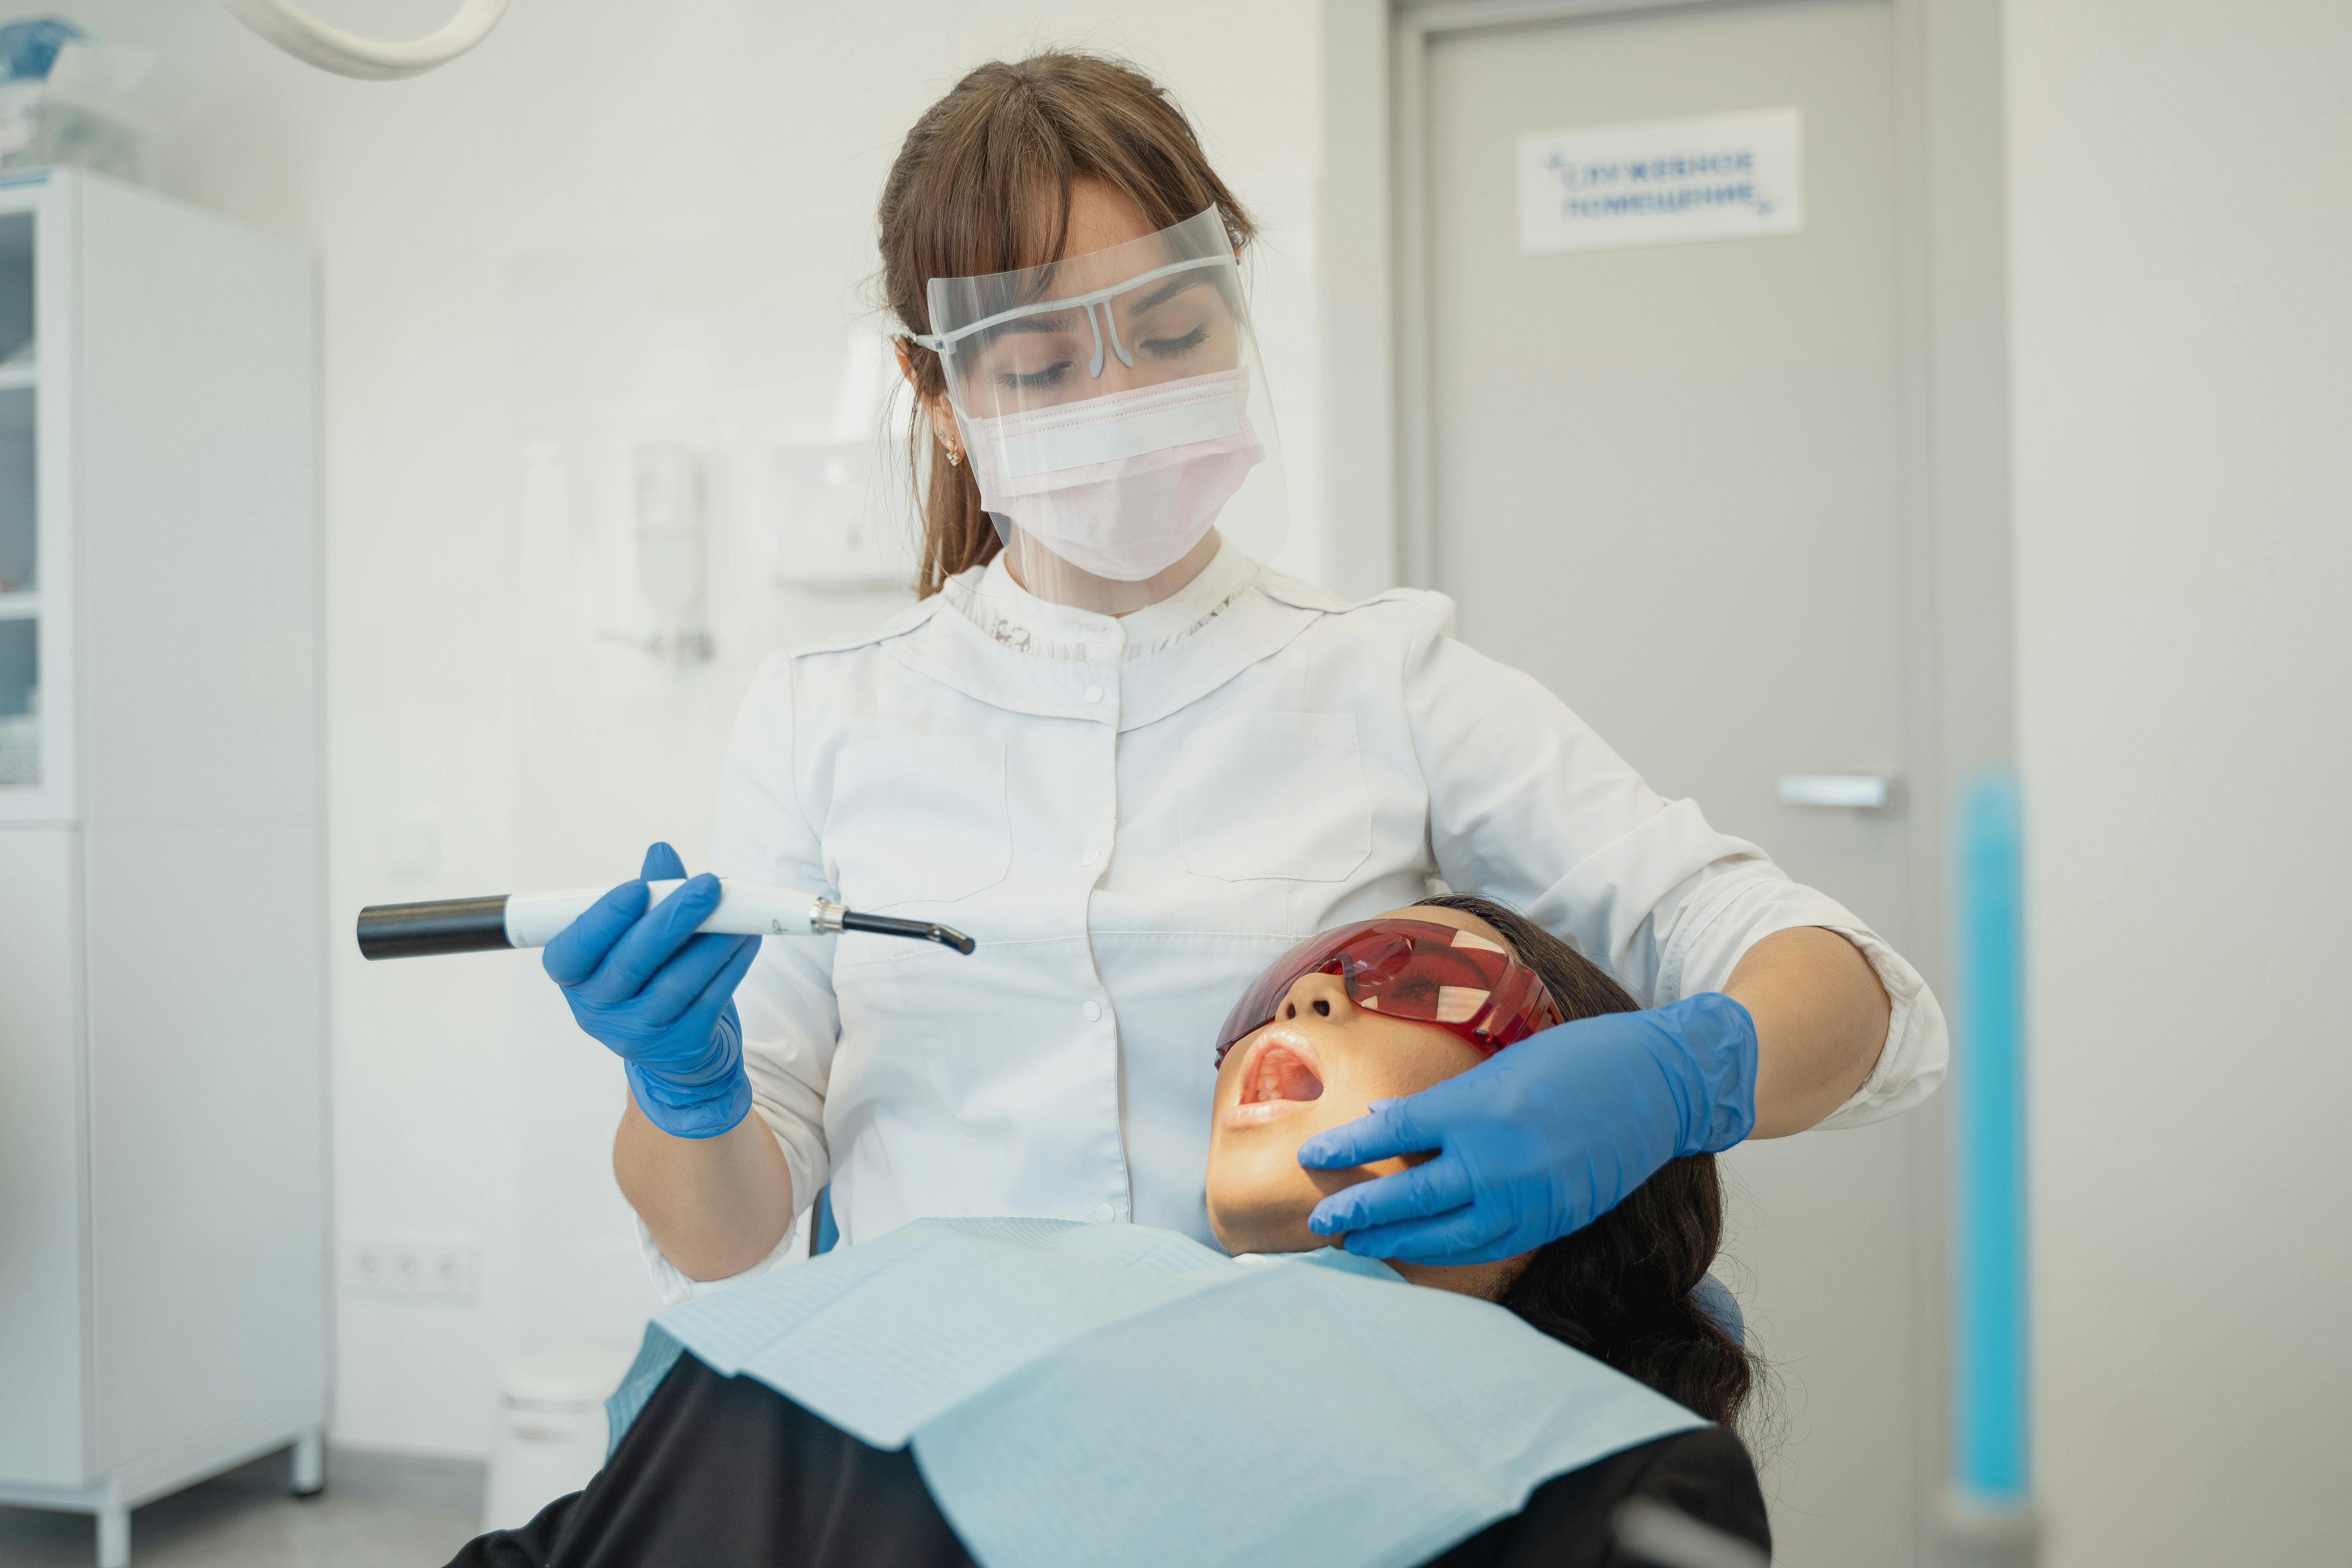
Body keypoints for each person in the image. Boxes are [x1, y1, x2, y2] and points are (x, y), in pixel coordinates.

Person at [544, 49, 1947, 1303]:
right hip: (944, 1459)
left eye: (1169, 339)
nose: (1120, 404)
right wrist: (686, 1089)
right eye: (1039, 366)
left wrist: (1676, 1078)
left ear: (1235, 315)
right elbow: (728, 1238)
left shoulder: (1388, 680)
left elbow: (1862, 1001)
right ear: (942, 405)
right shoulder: (822, 716)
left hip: (1313, 1461)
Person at [453, 897, 1769, 1568]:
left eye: (1410, 977)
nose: (1306, 997)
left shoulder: (1609, 1474)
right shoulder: (931, 1295)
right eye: (1277, 992)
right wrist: (680, 1089)